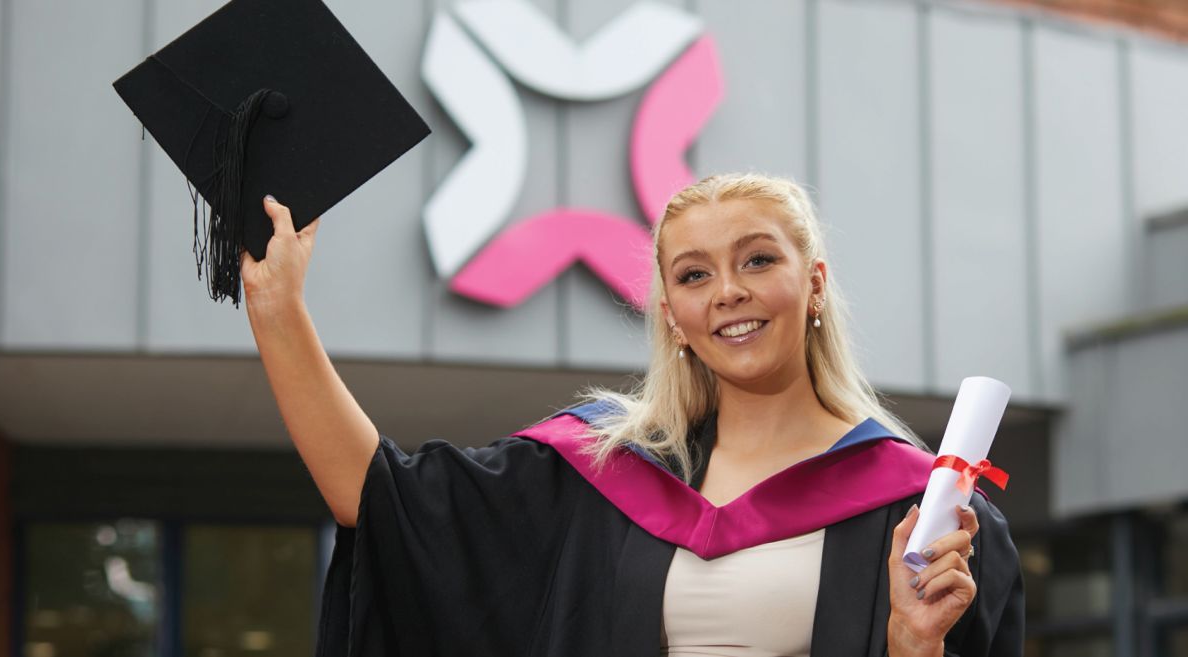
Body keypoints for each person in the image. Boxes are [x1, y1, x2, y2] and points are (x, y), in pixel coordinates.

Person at [242, 173, 1024, 657]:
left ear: (814, 283)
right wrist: (278, 310)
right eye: (694, 274)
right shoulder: (599, 475)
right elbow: (380, 502)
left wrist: (911, 645)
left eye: (758, 259)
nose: (728, 291)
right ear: (672, 315)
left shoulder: (924, 511)